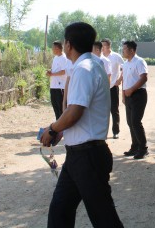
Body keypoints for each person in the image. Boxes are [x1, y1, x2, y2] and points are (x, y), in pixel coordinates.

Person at [40, 22, 123, 228]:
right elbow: (73, 111)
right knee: (60, 211)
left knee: (104, 218)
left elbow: (75, 112)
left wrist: (53, 129)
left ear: (68, 44)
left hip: (88, 156)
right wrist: (62, 130)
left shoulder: (84, 69)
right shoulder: (91, 65)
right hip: (78, 155)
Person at [121, 40, 149, 159]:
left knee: (136, 122)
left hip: (138, 95)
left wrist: (132, 89)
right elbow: (124, 80)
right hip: (128, 96)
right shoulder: (125, 64)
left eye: (124, 49)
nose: (122, 51)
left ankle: (143, 149)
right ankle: (135, 147)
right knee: (130, 122)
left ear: (132, 50)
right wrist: (123, 95)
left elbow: (144, 78)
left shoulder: (139, 61)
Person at [101, 38, 124, 139]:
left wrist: (119, 79)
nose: (102, 47)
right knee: (102, 110)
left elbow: (125, 67)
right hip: (102, 89)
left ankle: (115, 131)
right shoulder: (99, 57)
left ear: (109, 46)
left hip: (113, 87)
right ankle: (102, 132)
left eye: (103, 45)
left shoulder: (116, 56)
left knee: (114, 110)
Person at [46, 41, 68, 119]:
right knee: (55, 106)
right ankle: (58, 122)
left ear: (57, 48)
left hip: (60, 86)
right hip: (53, 85)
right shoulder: (55, 58)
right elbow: (55, 70)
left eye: (53, 48)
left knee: (60, 107)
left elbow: (63, 71)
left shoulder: (64, 58)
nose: (52, 49)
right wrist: (50, 72)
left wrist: (52, 74)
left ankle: (63, 124)